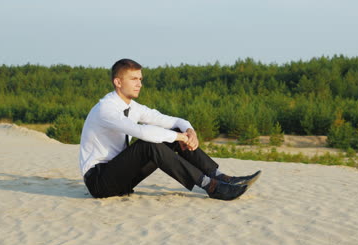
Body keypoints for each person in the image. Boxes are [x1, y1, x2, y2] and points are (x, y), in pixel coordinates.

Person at [79, 58, 260, 200]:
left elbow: (172, 120)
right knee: (149, 144)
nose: (139, 84)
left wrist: (189, 131)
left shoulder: (133, 107)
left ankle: (221, 177)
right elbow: (142, 132)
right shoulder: (106, 109)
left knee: (165, 137)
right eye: (133, 79)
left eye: (140, 79)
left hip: (122, 179)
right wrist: (179, 137)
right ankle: (211, 186)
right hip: (99, 181)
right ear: (118, 82)